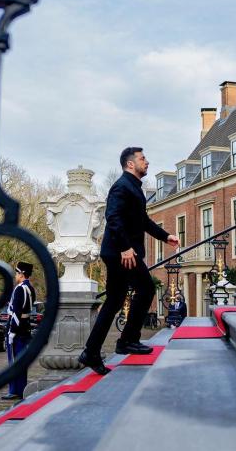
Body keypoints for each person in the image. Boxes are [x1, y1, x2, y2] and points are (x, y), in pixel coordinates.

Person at [79, 147, 179, 374]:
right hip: (121, 253)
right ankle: (127, 341)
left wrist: (165, 236)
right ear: (130, 164)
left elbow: (142, 220)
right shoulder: (121, 186)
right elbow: (112, 217)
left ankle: (91, 352)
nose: (147, 162)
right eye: (143, 159)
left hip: (120, 252)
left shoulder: (134, 188)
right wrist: (125, 248)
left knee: (114, 301)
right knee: (145, 289)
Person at [2, 261, 36, 400]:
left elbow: (16, 312)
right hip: (25, 326)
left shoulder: (20, 288)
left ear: (22, 274)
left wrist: (12, 331)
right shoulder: (30, 288)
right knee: (21, 360)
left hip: (18, 328)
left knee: (15, 360)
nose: (16, 275)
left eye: (17, 272)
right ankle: (21, 388)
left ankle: (15, 390)